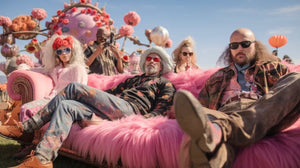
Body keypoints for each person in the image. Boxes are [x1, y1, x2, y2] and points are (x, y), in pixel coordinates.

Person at [0, 46, 176, 168]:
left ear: (162, 65)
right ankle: (42, 158)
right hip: (112, 108)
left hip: (131, 109)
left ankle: (28, 127)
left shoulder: (164, 83)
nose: (152, 61)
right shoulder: (133, 79)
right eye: (150, 58)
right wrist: (90, 98)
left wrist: (140, 121)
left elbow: (160, 109)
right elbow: (108, 93)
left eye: (156, 60)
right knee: (68, 106)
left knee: (73, 87)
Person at [174, 28, 300, 168]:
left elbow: (284, 96)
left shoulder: (274, 68)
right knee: (201, 123)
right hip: (224, 113)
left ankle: (223, 129)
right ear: (230, 49)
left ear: (255, 45)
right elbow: (201, 106)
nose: (239, 48)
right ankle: (212, 156)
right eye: (234, 46)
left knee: (297, 78)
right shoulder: (216, 77)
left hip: (264, 112)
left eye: (245, 44)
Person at [20, 34, 89, 122]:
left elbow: (80, 91)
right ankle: (25, 133)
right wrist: (25, 68)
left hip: (64, 103)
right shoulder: (56, 68)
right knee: (24, 108)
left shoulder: (78, 68)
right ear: (57, 55)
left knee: (26, 109)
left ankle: (25, 133)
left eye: (67, 50)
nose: (64, 53)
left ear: (72, 51)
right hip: (50, 99)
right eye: (60, 52)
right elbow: (41, 70)